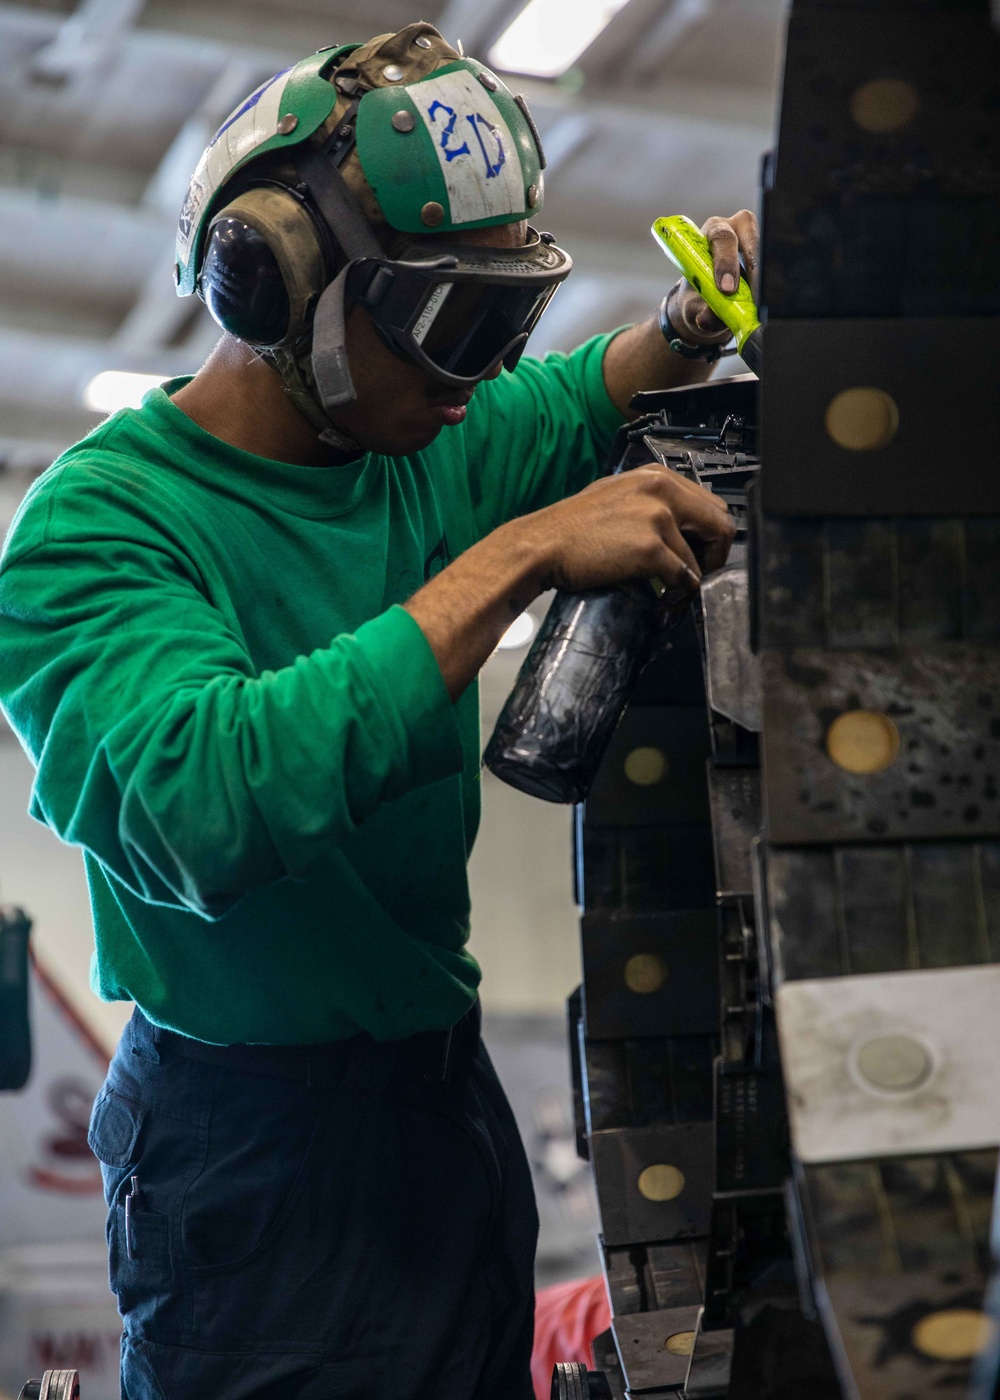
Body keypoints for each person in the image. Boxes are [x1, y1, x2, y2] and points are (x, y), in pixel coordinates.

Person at [0, 23, 757, 1400]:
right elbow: (204, 803)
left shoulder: (414, 436)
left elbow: (582, 397)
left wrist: (694, 321)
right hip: (253, 1158)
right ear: (272, 278)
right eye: (450, 325)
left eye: (505, 318)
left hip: (439, 1103)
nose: (477, 376)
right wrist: (521, 553)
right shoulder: (100, 530)